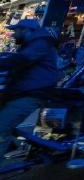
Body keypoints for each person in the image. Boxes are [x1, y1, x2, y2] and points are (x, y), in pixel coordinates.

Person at [0, 19, 59, 159]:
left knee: (1, 129)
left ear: (26, 30)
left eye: (16, 31)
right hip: (21, 92)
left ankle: (8, 145)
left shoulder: (40, 43)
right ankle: (13, 145)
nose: (13, 35)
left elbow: (19, 60)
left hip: (32, 94)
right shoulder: (31, 44)